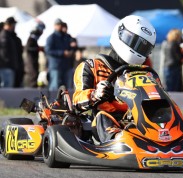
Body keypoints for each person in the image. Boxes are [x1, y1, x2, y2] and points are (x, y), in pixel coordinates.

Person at [73, 15, 156, 143]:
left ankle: (170, 138)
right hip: (107, 121)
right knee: (102, 117)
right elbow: (76, 101)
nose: (138, 49)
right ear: (121, 34)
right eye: (135, 42)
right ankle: (118, 141)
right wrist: (95, 94)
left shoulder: (146, 73)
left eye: (143, 47)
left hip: (139, 120)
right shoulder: (92, 66)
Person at [45, 18, 72, 91]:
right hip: (55, 67)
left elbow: (71, 47)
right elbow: (48, 50)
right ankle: (52, 102)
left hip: (65, 66)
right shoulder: (51, 37)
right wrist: (62, 53)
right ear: (54, 26)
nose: (60, 26)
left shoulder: (66, 37)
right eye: (58, 25)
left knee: (66, 88)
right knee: (54, 86)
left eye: (61, 25)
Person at [0, 17, 23, 88]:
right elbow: (5, 52)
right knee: (6, 87)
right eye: (13, 25)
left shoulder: (9, 36)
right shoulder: (4, 35)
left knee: (8, 87)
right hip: (6, 66)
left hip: (9, 66)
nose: (14, 27)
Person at [24, 20, 45, 88]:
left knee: (35, 75)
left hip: (33, 62)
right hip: (31, 63)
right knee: (33, 75)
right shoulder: (31, 40)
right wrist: (38, 49)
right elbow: (28, 49)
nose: (41, 32)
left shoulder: (33, 40)